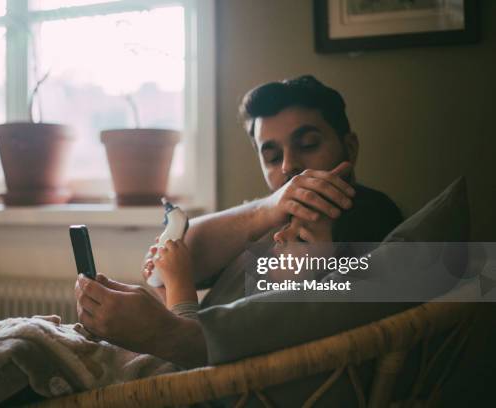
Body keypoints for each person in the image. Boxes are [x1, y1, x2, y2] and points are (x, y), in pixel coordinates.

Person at [74, 75, 403, 369]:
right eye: (272, 156)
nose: (289, 165)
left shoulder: (359, 221)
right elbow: (185, 254)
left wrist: (169, 305)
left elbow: (195, 346)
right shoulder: (274, 221)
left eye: (308, 144)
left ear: (349, 147)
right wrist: (270, 207)